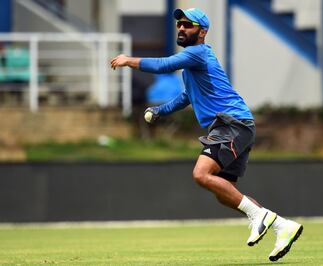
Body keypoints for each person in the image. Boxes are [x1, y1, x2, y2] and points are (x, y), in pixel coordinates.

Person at [110, 7, 302, 262]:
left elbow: (164, 64)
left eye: (188, 25)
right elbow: (186, 97)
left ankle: (259, 216)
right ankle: (281, 226)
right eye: (179, 24)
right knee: (225, 194)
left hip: (232, 124)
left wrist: (129, 60)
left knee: (201, 174)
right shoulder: (193, 66)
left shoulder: (197, 54)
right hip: (235, 125)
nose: (181, 28)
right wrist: (159, 111)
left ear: (202, 32)